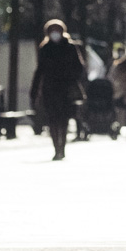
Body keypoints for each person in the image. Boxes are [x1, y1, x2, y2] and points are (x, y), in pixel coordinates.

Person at [31, 19, 85, 160]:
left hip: (66, 88)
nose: (55, 33)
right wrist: (35, 89)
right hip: (50, 88)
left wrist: (71, 78)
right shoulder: (45, 48)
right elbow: (40, 70)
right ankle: (56, 148)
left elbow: (79, 68)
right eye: (52, 31)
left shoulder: (70, 47)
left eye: (57, 30)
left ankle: (62, 147)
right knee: (52, 119)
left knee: (64, 119)